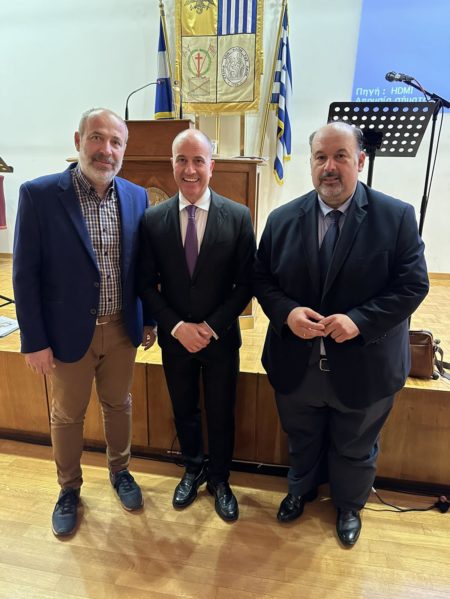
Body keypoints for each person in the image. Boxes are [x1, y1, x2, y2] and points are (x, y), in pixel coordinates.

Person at [253, 121, 429, 546]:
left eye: (340, 156)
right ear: (311, 163)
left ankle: (349, 504)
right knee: (302, 435)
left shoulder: (396, 217)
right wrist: (287, 313)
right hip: (297, 361)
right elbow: (261, 279)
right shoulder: (281, 219)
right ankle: (301, 490)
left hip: (365, 362)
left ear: (360, 161)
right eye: (320, 157)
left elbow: (412, 285)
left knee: (356, 442)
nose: (329, 167)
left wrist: (360, 321)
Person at [13, 108, 156, 537]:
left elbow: (143, 267)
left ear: (124, 150)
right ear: (78, 141)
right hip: (66, 333)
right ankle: (69, 488)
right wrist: (33, 340)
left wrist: (148, 320)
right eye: (97, 137)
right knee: (67, 415)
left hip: (122, 328)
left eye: (115, 142)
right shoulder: (39, 195)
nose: (105, 149)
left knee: (119, 404)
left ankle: (120, 471)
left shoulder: (136, 196)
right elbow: (25, 274)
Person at [138, 129, 255, 522]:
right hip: (176, 341)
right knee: (184, 408)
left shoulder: (237, 216)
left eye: (198, 161)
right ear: (172, 164)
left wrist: (210, 326)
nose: (190, 169)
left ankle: (220, 478)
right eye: (182, 160)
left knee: (221, 412)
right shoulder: (153, 220)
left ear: (212, 166)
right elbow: (145, 283)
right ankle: (193, 468)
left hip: (220, 339)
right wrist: (176, 327)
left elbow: (246, 284)